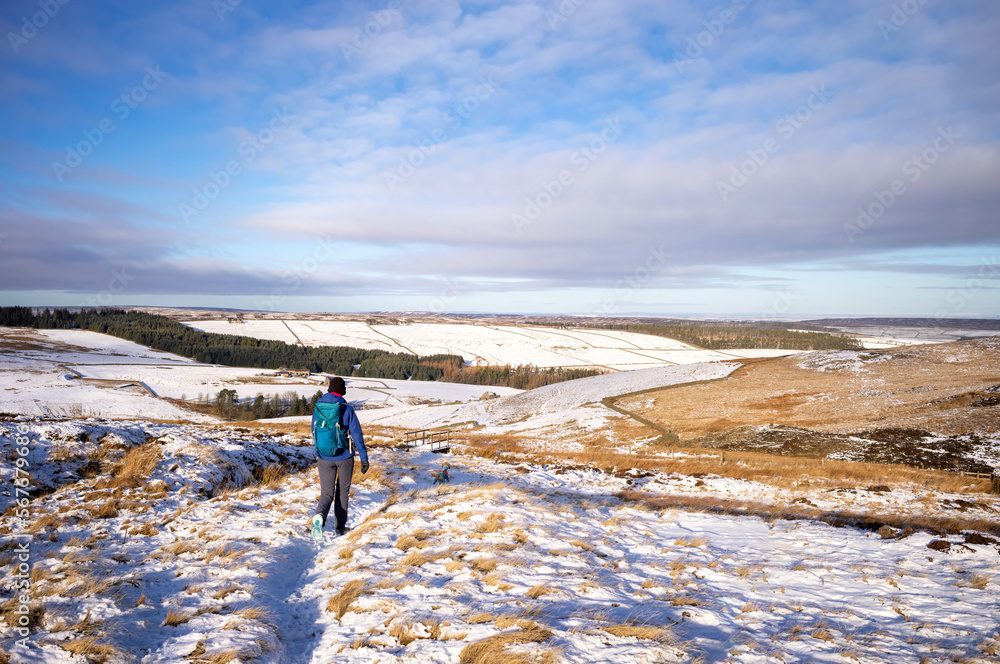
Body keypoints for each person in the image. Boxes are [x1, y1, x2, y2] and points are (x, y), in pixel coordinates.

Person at [310, 376, 369, 537]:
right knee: (342, 492)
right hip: (344, 457)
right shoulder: (346, 408)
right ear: (342, 391)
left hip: (324, 457)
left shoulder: (319, 407)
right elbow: (357, 435)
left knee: (326, 493)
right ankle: (340, 528)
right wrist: (364, 458)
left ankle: (319, 518)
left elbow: (314, 431)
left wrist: (319, 451)